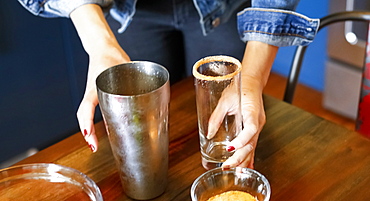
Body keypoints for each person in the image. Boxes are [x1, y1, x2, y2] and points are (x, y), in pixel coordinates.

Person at [18, 0, 319, 169]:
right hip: (131, 12)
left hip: (223, 8)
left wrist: (252, 77)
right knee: (141, 137)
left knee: (233, 123)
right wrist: (100, 44)